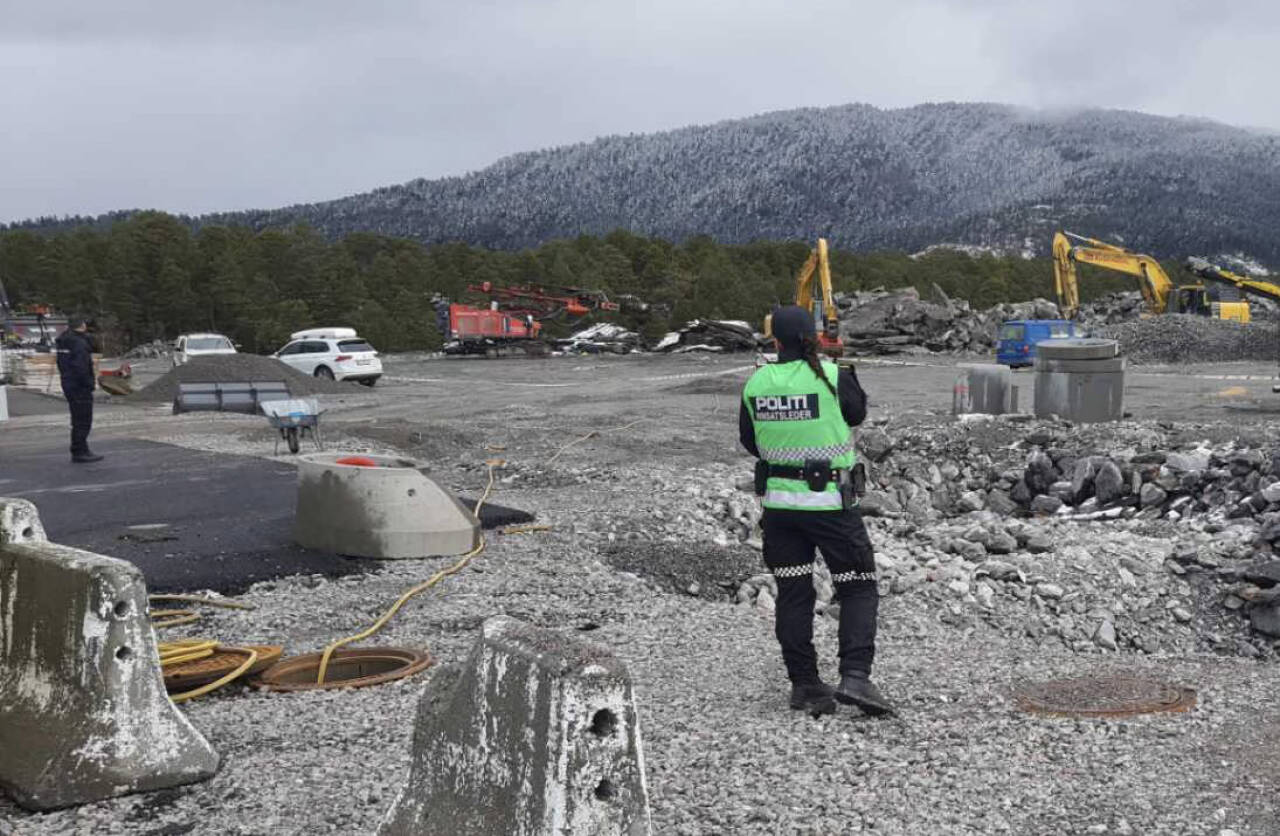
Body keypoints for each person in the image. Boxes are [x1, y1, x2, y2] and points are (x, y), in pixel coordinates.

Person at [739, 305, 896, 718]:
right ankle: (856, 676)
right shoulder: (831, 376)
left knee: (794, 591)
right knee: (857, 584)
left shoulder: (756, 382)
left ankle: (806, 685)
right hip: (829, 506)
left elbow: (750, 441)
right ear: (814, 337)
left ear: (775, 341)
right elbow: (857, 413)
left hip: (780, 508)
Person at [55, 317, 102, 463]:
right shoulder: (79, 343)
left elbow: (61, 362)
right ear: (83, 325)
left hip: (68, 382)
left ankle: (80, 449)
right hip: (79, 386)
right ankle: (80, 451)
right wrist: (88, 383)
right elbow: (81, 366)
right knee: (83, 420)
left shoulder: (63, 340)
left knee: (77, 419)